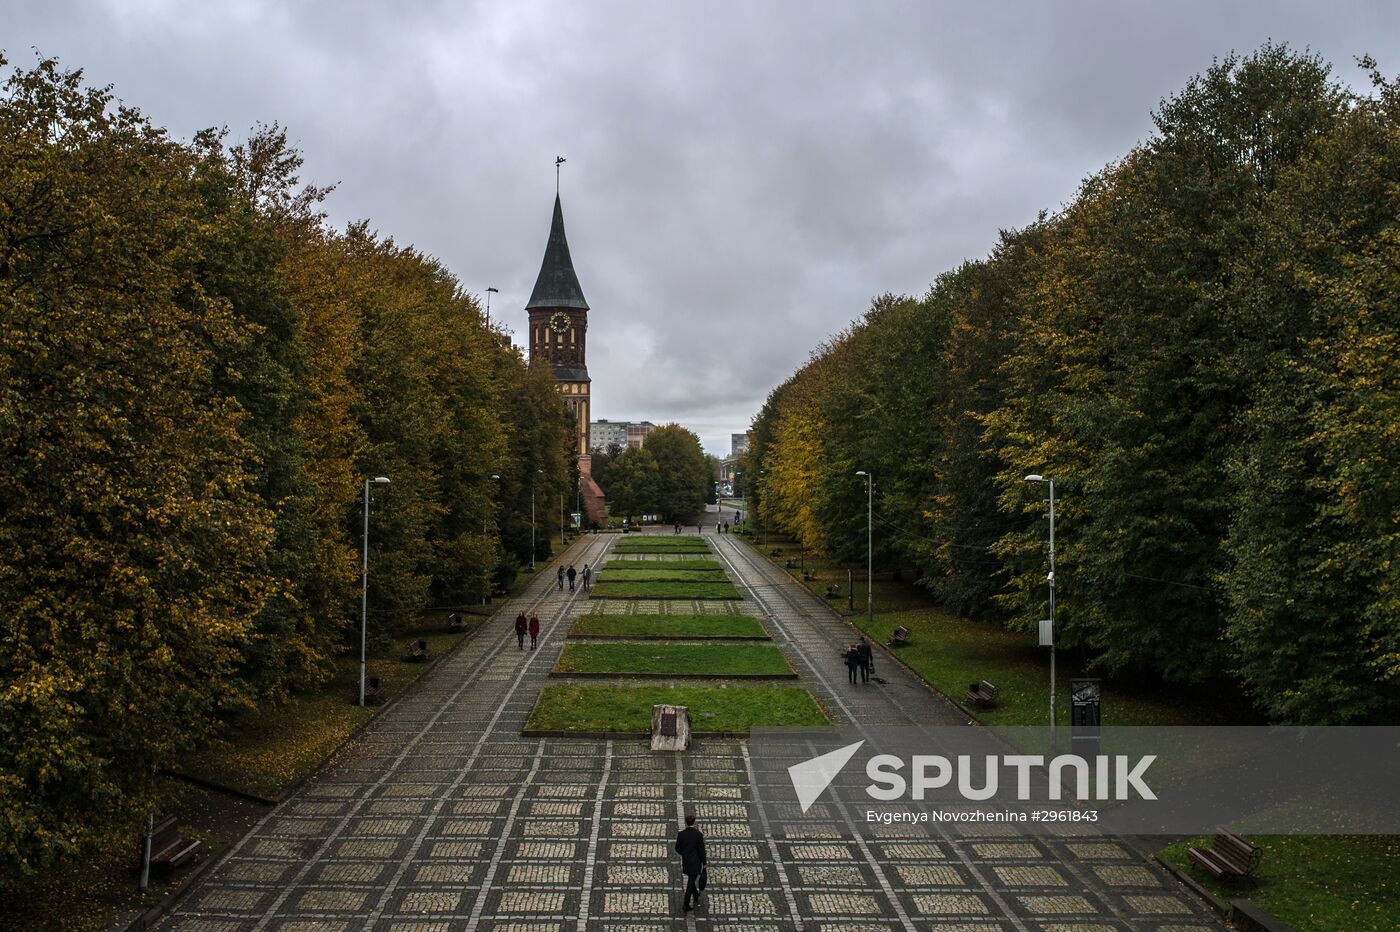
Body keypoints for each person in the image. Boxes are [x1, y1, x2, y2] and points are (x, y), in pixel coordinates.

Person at [674, 813, 707, 913]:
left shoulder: (681, 834)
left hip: (686, 860)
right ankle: (686, 903)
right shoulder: (698, 835)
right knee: (691, 881)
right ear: (694, 822)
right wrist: (704, 862)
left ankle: (696, 895)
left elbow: (677, 848)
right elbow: (701, 850)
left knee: (691, 878)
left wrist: (684, 853)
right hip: (696, 861)